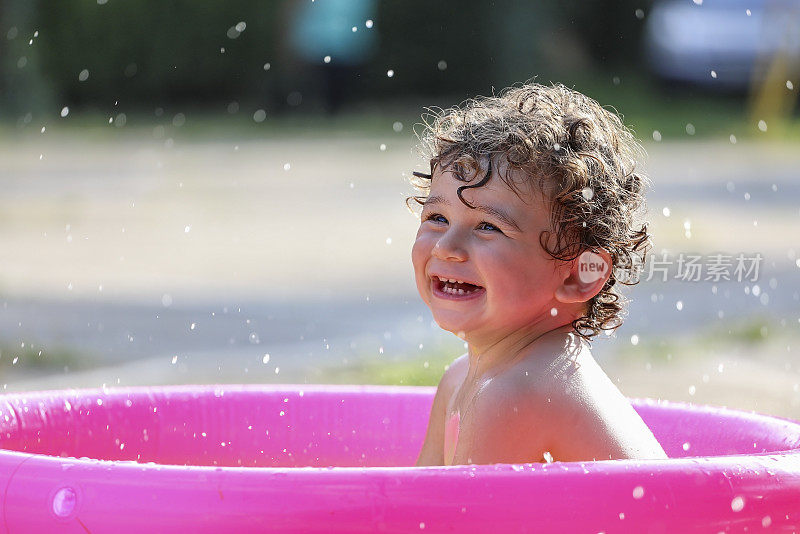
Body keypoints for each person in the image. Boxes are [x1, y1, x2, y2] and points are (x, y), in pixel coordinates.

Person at [410, 81, 668, 466]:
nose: (447, 246)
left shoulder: (512, 396)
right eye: (437, 217)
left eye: (487, 227)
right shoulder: (461, 378)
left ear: (579, 275)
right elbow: (416, 509)